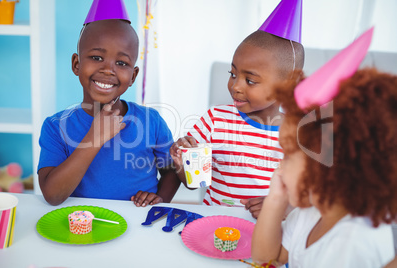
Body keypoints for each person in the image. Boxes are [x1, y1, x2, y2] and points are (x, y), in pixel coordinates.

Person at [252, 28, 397, 267]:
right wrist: (276, 198)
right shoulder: (314, 211)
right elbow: (268, 258)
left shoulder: (354, 244)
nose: (278, 164)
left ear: (328, 169)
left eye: (287, 156)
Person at [37, 0, 180, 206]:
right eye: (96, 57)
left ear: (133, 76)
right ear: (76, 64)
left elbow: (171, 171)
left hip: (139, 225)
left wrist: (159, 200)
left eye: (121, 63)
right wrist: (95, 137)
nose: (108, 70)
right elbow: (52, 195)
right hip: (83, 226)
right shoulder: (55, 127)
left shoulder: (151, 121)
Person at [170, 0, 304, 218]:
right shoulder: (215, 120)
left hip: (264, 232)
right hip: (212, 223)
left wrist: (282, 207)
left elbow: (305, 196)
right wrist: (182, 162)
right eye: (233, 74)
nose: (236, 86)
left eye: (250, 80)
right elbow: (193, 184)